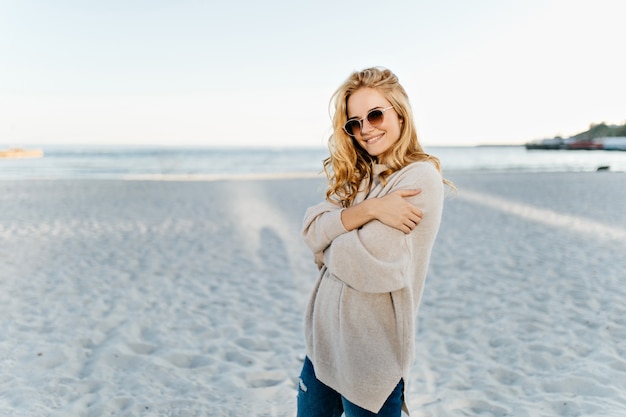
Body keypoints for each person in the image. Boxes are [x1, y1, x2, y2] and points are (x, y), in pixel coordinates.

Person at [297, 67, 451, 417]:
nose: (366, 129)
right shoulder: (359, 176)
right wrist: (371, 209)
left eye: (375, 114)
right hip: (322, 345)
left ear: (399, 113)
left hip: (372, 356)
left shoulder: (420, 178)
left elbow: (369, 267)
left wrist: (330, 241)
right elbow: (310, 230)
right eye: (354, 123)